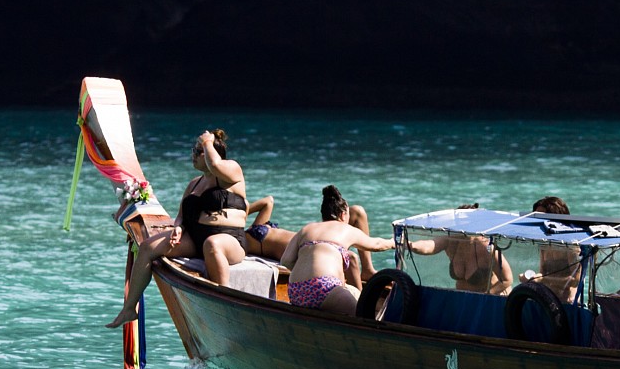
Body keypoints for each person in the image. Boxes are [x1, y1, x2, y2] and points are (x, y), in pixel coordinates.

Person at [109, 129, 252, 326]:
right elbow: (181, 215)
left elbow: (216, 164)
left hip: (229, 240)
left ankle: (225, 303)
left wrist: (208, 142)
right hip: (195, 238)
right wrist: (178, 228)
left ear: (209, 153)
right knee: (148, 248)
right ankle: (129, 309)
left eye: (197, 151)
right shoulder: (195, 183)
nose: (192, 155)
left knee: (213, 244)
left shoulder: (231, 170)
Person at [279, 185, 394, 313]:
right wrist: (392, 243)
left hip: (296, 291)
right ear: (343, 214)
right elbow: (377, 244)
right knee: (363, 314)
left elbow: (286, 261)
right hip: (324, 287)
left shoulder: (307, 228)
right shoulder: (346, 229)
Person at [405, 204, 513, 293]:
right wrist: (410, 245)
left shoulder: (486, 246)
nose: (460, 228)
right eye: (458, 223)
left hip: (492, 299)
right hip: (463, 300)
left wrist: (485, 297)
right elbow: (430, 245)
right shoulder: (452, 241)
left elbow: (507, 279)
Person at [522, 194, 585, 302]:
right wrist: (530, 278)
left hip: (567, 302)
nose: (538, 223)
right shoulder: (544, 243)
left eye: (541, 218)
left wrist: (543, 279)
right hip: (547, 298)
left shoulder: (570, 245)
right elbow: (542, 273)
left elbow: (575, 280)